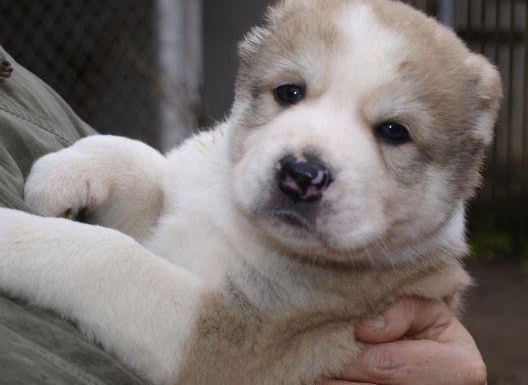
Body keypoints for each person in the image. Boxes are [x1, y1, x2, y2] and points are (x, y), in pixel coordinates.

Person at [0, 46, 486, 384]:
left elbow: (209, 351)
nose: (306, 169)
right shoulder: (228, 162)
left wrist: (70, 254)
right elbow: (170, 262)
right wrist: (135, 174)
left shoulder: (382, 271)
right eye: (291, 93)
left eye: (394, 131)